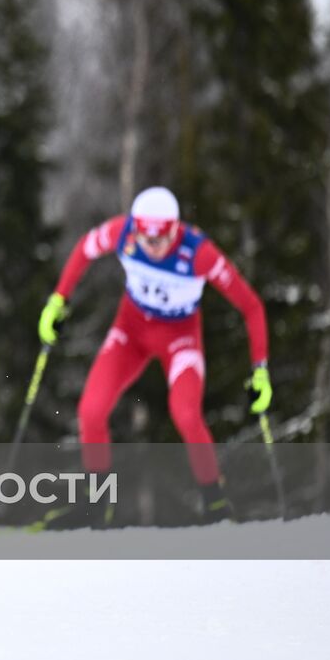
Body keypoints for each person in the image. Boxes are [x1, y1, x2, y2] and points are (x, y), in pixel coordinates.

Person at [36, 186, 271, 523]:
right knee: (90, 410)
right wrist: (58, 300)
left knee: (186, 414)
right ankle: (97, 506)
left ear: (175, 231)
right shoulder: (123, 233)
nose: (152, 248)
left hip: (179, 338)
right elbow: (85, 249)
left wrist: (260, 369)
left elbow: (251, 306)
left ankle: (215, 503)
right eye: (146, 240)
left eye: (160, 241)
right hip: (130, 332)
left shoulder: (198, 253)